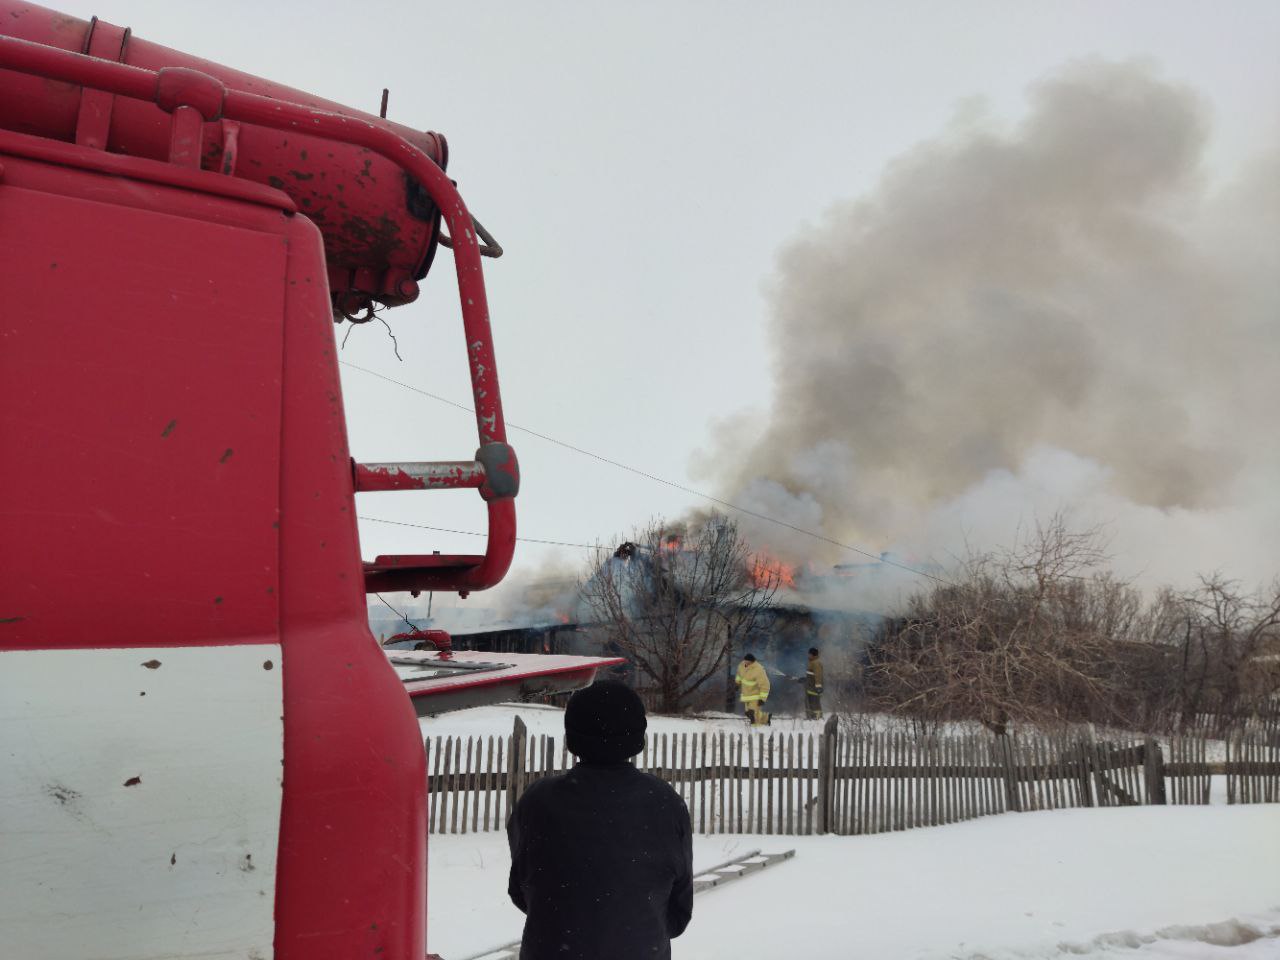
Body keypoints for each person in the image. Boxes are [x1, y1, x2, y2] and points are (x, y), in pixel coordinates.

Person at [506, 681, 694, 960]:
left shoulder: (538, 800)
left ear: (571, 738)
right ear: (637, 738)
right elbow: (678, 914)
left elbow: (521, 890)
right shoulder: (665, 803)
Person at [735, 653, 770, 726]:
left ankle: (755, 730)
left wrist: (762, 699)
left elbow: (765, 685)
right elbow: (739, 674)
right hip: (746, 694)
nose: (746, 663)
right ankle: (766, 718)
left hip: (755, 695)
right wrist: (737, 683)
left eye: (748, 662)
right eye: (745, 661)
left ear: (752, 662)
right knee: (748, 713)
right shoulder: (741, 665)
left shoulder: (758, 670)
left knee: (753, 714)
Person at [805, 647, 825, 720]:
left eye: (809, 654)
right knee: (810, 703)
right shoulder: (812, 662)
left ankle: (818, 718)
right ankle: (811, 717)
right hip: (811, 687)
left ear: (812, 655)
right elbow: (811, 675)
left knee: (815, 704)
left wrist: (818, 686)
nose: (808, 656)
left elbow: (818, 675)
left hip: (814, 688)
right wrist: (804, 679)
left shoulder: (816, 663)